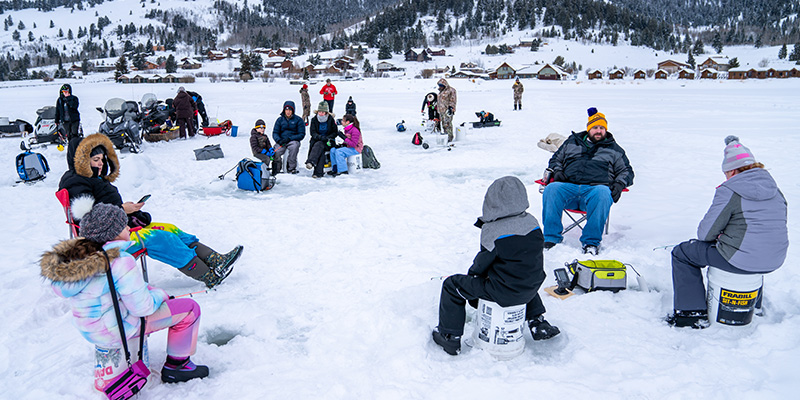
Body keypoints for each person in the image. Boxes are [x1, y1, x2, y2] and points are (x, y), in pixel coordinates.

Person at [41, 203, 210, 386]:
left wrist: (146, 290)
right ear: (111, 233)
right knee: (190, 309)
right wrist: (161, 295)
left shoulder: (79, 261)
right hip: (119, 328)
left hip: (93, 329)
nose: (129, 227)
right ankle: (178, 366)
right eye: (124, 225)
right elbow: (142, 307)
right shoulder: (120, 261)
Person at [59, 133, 242, 288]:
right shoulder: (76, 182)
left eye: (101, 159)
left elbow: (106, 208)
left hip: (118, 229)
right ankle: (208, 276)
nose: (100, 164)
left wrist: (130, 212)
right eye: (95, 160)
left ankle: (215, 260)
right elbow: (89, 219)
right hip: (104, 241)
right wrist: (123, 209)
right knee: (161, 238)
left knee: (170, 228)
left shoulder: (93, 178)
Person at [666, 136, 788, 328]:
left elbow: (705, 234)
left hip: (741, 259)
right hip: (774, 259)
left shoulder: (730, 189)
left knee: (683, 253)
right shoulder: (776, 190)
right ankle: (754, 307)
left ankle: (691, 314)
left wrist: (722, 235)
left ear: (731, 170)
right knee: (755, 252)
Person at [432, 176, 560, 356]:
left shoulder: (494, 231)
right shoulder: (532, 222)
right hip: (532, 284)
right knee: (522, 278)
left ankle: (449, 337)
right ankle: (538, 321)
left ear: (491, 201)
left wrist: (471, 281)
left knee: (452, 286)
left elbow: (481, 265)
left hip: (502, 291)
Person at [540, 108, 634, 255]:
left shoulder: (615, 150)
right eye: (595, 127)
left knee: (603, 192)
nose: (599, 131)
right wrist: (557, 170)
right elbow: (556, 159)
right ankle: (551, 238)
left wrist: (620, 183)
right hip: (568, 188)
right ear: (588, 128)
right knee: (552, 188)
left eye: (602, 128)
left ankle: (591, 243)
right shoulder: (572, 143)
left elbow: (626, 171)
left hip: (594, 192)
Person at [305, 101, 339, 179]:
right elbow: (312, 132)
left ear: (326, 112)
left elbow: (335, 132)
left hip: (328, 141)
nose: (321, 113)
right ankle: (318, 173)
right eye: (320, 112)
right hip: (317, 140)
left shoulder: (331, 119)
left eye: (323, 112)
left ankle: (311, 162)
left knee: (319, 145)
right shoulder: (314, 119)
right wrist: (320, 137)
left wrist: (328, 137)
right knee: (320, 149)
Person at [271, 100, 305, 174]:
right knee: (276, 151)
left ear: (293, 110)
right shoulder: (279, 120)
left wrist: (290, 138)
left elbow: (301, 134)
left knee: (294, 147)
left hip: (293, 140)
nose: (288, 111)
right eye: (286, 110)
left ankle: (291, 168)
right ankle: (277, 168)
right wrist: (279, 140)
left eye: (290, 110)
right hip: (282, 141)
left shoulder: (298, 120)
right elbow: (275, 132)